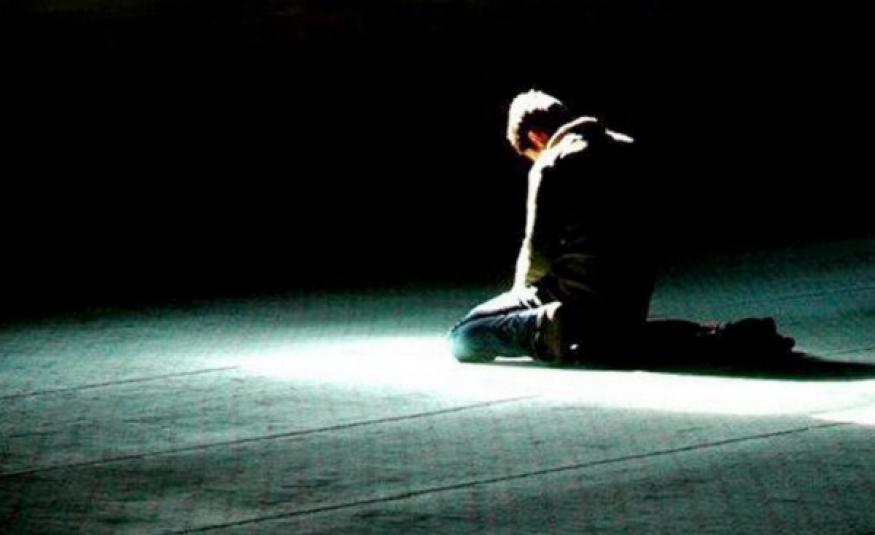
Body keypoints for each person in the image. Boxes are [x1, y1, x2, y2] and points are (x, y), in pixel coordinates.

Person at [448, 90, 794, 365]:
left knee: (463, 336)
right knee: (617, 338)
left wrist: (523, 301)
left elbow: (537, 253)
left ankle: (549, 326)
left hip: (573, 300)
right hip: (627, 300)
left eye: (529, 155)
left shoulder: (552, 164)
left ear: (536, 137)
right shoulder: (630, 149)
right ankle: (727, 335)